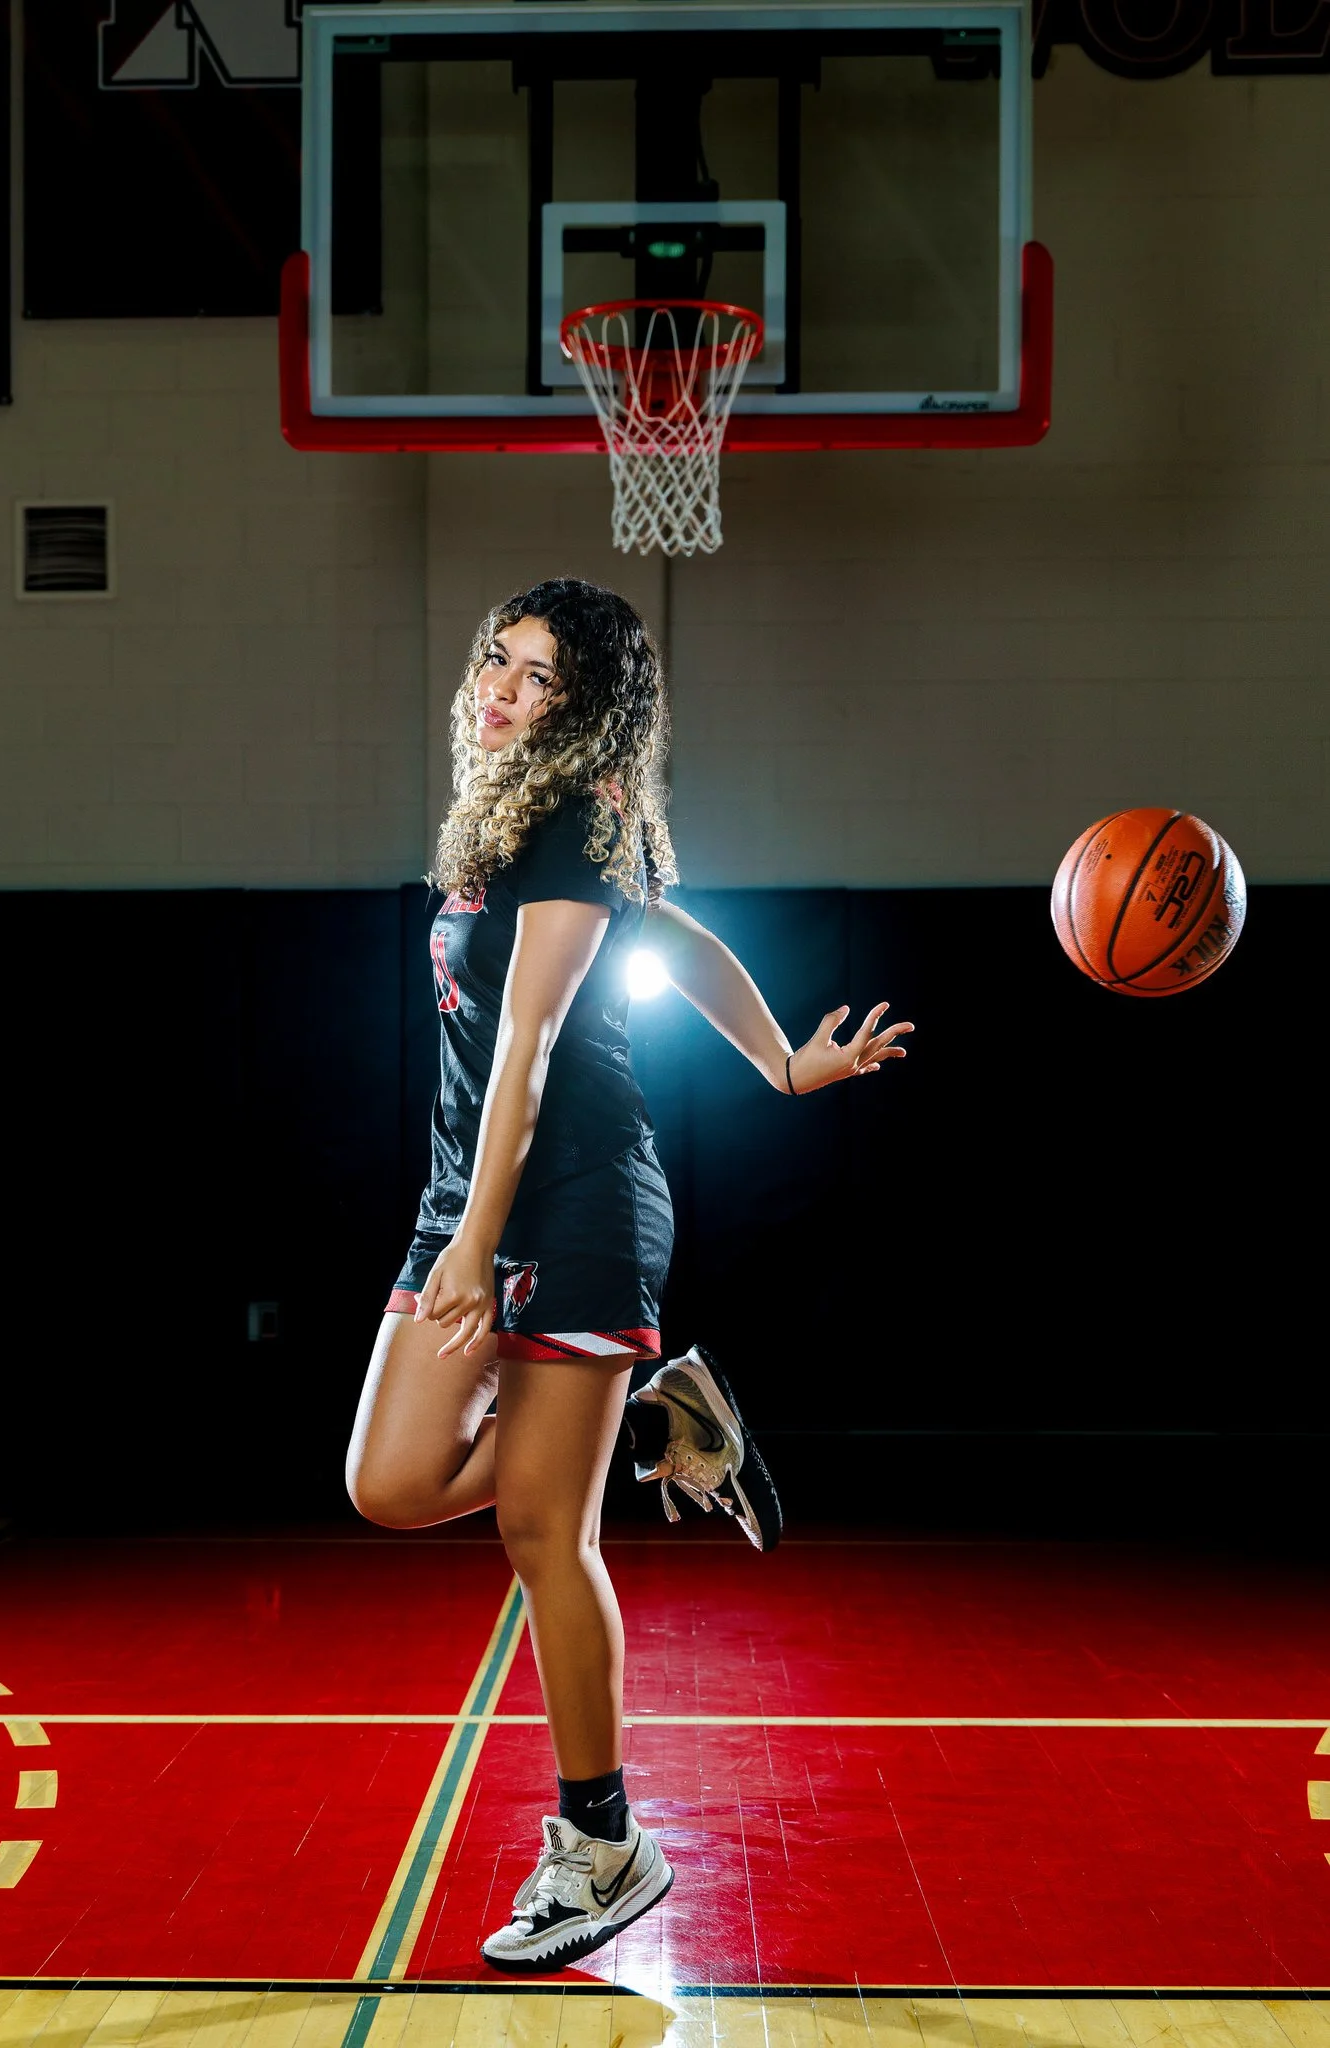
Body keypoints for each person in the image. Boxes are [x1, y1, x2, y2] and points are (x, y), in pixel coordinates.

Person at [345, 578, 913, 1974]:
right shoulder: (521, 818)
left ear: (583, 706)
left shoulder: (573, 820)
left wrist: (480, 1243)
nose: (499, 686)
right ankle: (665, 1424)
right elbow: (677, 925)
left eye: (535, 677)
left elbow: (532, 1050)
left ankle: (599, 1846)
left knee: (545, 1535)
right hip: (468, 1193)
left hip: (579, 1203)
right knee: (391, 1482)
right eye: (498, 660)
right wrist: (777, 1054)